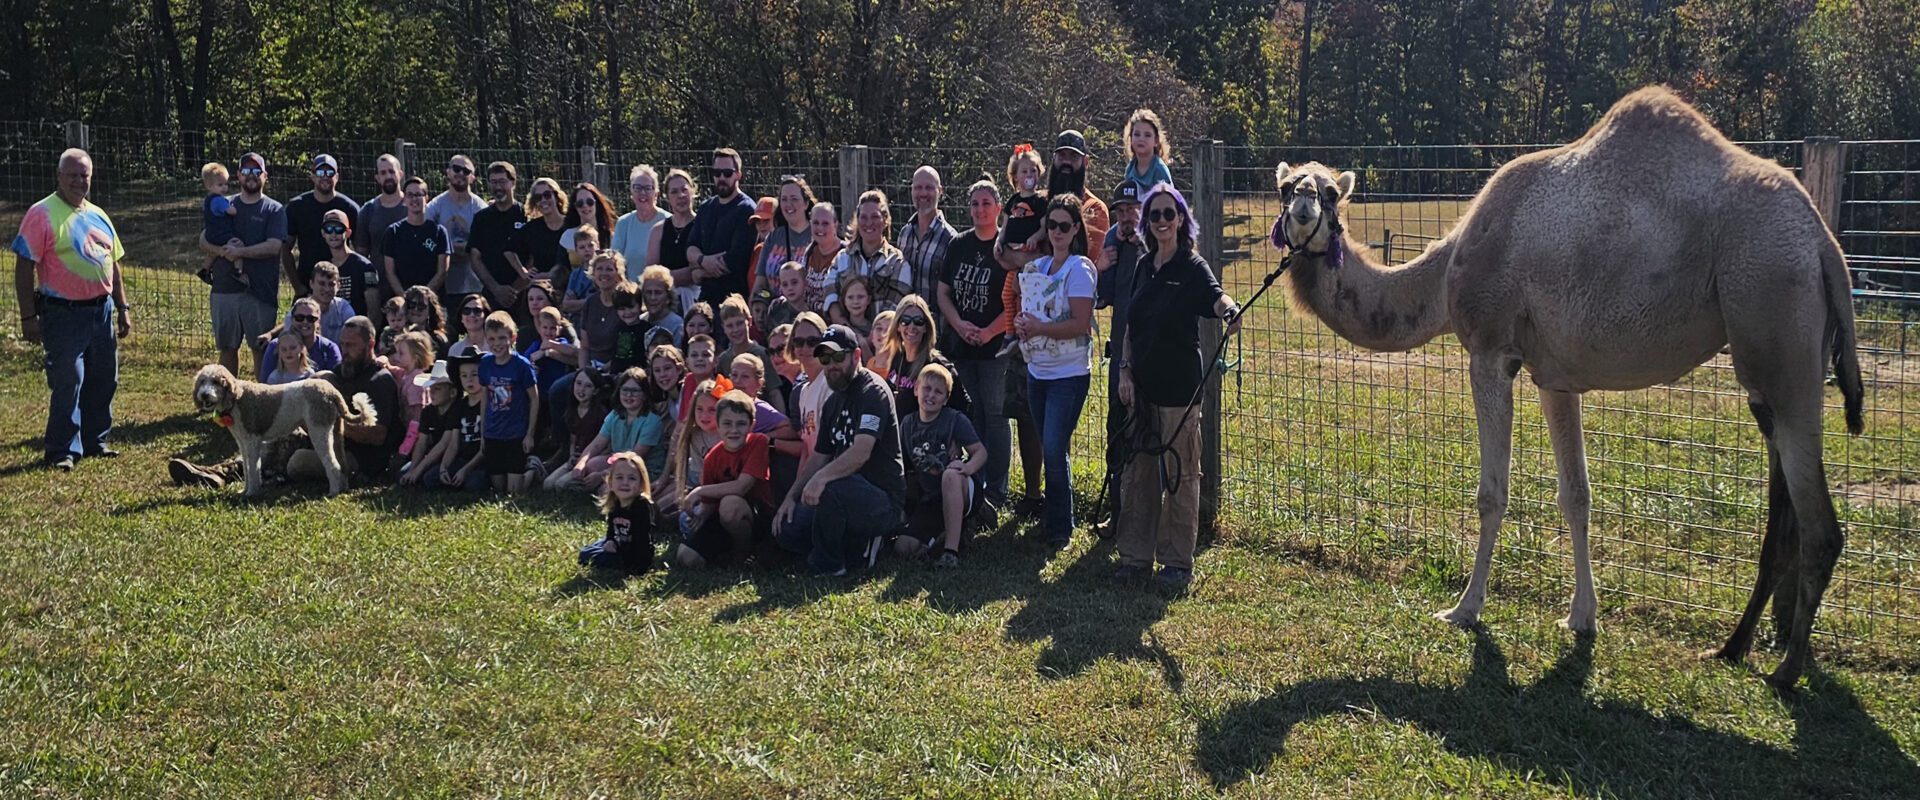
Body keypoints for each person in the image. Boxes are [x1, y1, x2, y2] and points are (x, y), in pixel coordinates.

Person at [1114, 182, 1242, 590]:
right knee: (1140, 474)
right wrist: (1124, 370)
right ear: (1147, 223)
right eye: (1155, 215)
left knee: (1181, 476)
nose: (1163, 221)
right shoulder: (1143, 265)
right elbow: (1130, 325)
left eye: (1170, 214)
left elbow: (1216, 297)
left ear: (1182, 220)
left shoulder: (1192, 266)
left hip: (1180, 394)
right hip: (1142, 390)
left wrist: (1230, 310)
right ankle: (1135, 557)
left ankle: (1176, 563)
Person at [12, 148, 129, 471]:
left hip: (101, 311)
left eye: (84, 175)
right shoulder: (41, 213)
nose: (79, 181)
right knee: (69, 380)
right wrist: (27, 317)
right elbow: (24, 267)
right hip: (63, 314)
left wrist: (122, 307)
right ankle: (62, 450)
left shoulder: (98, 214)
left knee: (105, 378)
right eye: (73, 175)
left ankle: (95, 440)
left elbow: (113, 264)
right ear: (59, 176)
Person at [775, 325, 905, 576]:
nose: (831, 365)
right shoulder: (833, 400)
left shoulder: (873, 391)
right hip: (845, 495)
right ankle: (856, 545)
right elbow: (820, 456)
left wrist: (820, 479)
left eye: (838, 357)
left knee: (830, 486)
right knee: (788, 529)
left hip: (883, 499)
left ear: (856, 356)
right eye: (825, 357)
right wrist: (791, 497)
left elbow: (861, 452)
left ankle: (830, 566)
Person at [1015, 194, 1096, 549]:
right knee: (1053, 447)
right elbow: (1031, 311)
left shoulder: (1079, 269)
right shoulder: (1038, 267)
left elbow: (1080, 325)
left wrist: (1039, 328)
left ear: (1076, 228)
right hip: (1038, 371)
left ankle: (1060, 528)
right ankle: (1057, 515)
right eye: (1052, 225)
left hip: (1068, 374)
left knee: (1052, 446)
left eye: (1065, 225)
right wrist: (1022, 324)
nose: (1058, 231)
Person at [937, 177, 1013, 505]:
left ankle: (997, 488)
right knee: (974, 412)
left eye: (986, 203)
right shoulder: (959, 244)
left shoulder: (1007, 248)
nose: (980, 210)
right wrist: (959, 324)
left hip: (995, 348)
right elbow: (943, 292)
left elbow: (1016, 300)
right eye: (974, 204)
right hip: (962, 344)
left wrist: (988, 332)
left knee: (995, 415)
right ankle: (975, 482)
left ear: (998, 208)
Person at [200, 151, 287, 378]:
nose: (251, 175)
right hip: (225, 289)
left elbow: (274, 246)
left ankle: (262, 402)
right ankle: (227, 405)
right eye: (246, 171)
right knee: (227, 348)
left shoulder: (274, 209)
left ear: (265, 176)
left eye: (256, 171)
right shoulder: (223, 203)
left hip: (260, 291)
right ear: (238, 175)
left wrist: (240, 252)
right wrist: (221, 251)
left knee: (261, 348)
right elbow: (203, 239)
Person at [287, 316, 402, 486]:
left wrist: (332, 423)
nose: (344, 351)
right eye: (342, 344)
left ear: (370, 345)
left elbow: (377, 436)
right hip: (334, 444)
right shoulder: (344, 370)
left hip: (362, 458)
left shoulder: (380, 380)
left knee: (298, 462)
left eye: (351, 345)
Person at [894, 365, 988, 568]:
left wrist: (967, 468)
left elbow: (980, 452)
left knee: (950, 475)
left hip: (961, 489)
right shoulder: (907, 425)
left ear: (946, 399)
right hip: (931, 497)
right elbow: (901, 464)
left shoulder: (954, 420)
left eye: (938, 392)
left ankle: (950, 552)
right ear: (916, 389)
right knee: (903, 547)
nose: (931, 395)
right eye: (927, 388)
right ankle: (943, 537)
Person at [676, 388, 775, 569]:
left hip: (756, 515)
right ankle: (724, 550)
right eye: (727, 424)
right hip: (722, 517)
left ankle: (744, 553)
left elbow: (742, 486)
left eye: (741, 424)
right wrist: (699, 515)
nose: (734, 430)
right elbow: (709, 504)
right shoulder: (712, 457)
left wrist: (699, 490)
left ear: (751, 425)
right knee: (686, 557)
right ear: (718, 426)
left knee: (730, 504)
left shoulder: (758, 442)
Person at [1095, 180, 1145, 532]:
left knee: (1151, 432)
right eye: (1121, 211)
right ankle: (1118, 511)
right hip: (1120, 354)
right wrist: (1101, 265)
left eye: (1132, 210)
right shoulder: (1113, 239)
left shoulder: (1157, 239)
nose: (1127, 217)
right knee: (1118, 429)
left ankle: (1148, 519)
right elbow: (1101, 297)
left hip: (1153, 353)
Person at [568, 367, 664, 493]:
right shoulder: (615, 415)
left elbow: (635, 457)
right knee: (591, 465)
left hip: (642, 468)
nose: (629, 395)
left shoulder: (652, 421)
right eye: (625, 390)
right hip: (619, 463)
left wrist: (602, 475)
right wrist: (581, 464)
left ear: (645, 395)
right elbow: (597, 444)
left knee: (604, 492)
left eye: (635, 391)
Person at [876, 294, 968, 420]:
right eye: (905, 321)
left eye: (918, 321)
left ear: (926, 327)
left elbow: (964, 409)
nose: (912, 327)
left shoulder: (938, 365)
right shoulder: (897, 357)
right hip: (898, 435)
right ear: (897, 326)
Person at [686, 148, 758, 307]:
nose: (721, 178)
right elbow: (691, 249)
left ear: (738, 174)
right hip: (704, 301)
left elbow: (735, 260)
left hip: (734, 302)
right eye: (717, 173)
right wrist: (703, 259)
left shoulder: (746, 210)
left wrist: (700, 272)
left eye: (727, 173)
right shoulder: (705, 208)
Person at [283, 153, 358, 297]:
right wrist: (298, 287)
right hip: (307, 287)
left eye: (330, 172)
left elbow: (360, 250)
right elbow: (285, 249)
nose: (325, 176)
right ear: (312, 176)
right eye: (320, 172)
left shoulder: (350, 208)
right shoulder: (296, 207)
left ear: (337, 176)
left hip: (340, 287)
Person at [828, 189, 911, 315]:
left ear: (885, 221)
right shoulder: (842, 259)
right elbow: (829, 293)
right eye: (864, 217)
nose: (868, 223)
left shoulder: (898, 263)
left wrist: (873, 333)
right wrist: (845, 325)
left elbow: (894, 309)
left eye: (875, 217)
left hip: (882, 332)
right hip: (845, 330)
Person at [427, 154, 489, 310]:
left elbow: (485, 246)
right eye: (456, 168)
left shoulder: (480, 208)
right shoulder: (435, 206)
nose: (460, 173)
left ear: (473, 178)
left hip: (474, 283)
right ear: (448, 172)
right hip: (444, 283)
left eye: (466, 171)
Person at [578, 452, 656, 573]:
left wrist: (639, 567)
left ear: (641, 484)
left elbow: (642, 539)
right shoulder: (616, 502)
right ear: (611, 483)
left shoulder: (641, 506)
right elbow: (611, 528)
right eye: (619, 477)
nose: (625, 482)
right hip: (619, 541)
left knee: (591, 557)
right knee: (585, 553)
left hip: (633, 554)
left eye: (632, 478)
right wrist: (610, 540)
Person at [469, 161, 529, 314]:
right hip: (491, 295)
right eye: (494, 182)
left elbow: (534, 256)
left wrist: (514, 290)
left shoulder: (526, 215)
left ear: (513, 183)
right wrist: (496, 289)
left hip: (524, 294)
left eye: (502, 181)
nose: (498, 187)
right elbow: (475, 258)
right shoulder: (481, 218)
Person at [382, 176, 451, 301]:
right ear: (404, 199)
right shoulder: (393, 232)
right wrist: (406, 298)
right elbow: (390, 272)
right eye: (410, 195)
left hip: (432, 301)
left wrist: (423, 297)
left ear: (426, 198)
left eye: (419, 194)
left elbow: (442, 272)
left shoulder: (439, 232)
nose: (414, 199)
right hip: (402, 303)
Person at [543, 365, 610, 488]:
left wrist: (588, 461)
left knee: (560, 485)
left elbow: (606, 445)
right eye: (578, 383)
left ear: (595, 391)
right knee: (547, 484)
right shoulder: (572, 410)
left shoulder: (601, 414)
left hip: (591, 460)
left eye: (588, 386)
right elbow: (573, 439)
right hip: (576, 458)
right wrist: (571, 456)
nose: (581, 389)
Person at [898, 166, 956, 304]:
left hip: (936, 323)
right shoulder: (904, 234)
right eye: (918, 187)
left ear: (940, 191)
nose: (923, 193)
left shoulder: (950, 239)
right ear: (911, 190)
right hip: (906, 323)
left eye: (929, 188)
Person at [752, 174, 817, 292]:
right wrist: (760, 301)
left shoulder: (818, 234)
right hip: (775, 306)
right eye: (784, 199)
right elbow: (760, 284)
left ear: (806, 203)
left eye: (794, 199)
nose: (788, 204)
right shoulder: (773, 237)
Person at [257, 296, 341, 381]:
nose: (305, 322)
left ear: (318, 322)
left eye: (311, 319)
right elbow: (264, 384)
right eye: (299, 318)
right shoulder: (275, 346)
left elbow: (337, 382)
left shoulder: (329, 348)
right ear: (292, 319)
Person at [319, 209, 380, 317]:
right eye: (328, 229)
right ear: (323, 233)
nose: (333, 234)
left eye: (338, 229)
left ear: (348, 233)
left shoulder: (366, 267)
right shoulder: (322, 267)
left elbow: (374, 311)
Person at [355, 154, 410, 272]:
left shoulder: (413, 207)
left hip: (411, 282)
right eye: (383, 173)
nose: (388, 176)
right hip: (379, 284)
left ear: (400, 174)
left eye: (392, 171)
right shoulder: (367, 211)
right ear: (377, 178)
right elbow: (362, 255)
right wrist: (370, 285)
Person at [611, 165, 667, 280]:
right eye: (637, 187)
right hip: (630, 291)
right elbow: (615, 261)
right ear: (631, 192)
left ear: (656, 193)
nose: (642, 192)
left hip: (659, 291)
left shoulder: (668, 221)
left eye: (647, 188)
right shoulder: (623, 223)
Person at [511, 177, 570, 283]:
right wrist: (523, 272)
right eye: (538, 197)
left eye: (547, 195)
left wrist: (550, 275)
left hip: (570, 287)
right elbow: (508, 250)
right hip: (541, 289)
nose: (543, 200)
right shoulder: (532, 228)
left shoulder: (571, 225)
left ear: (556, 196)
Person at [658, 168, 699, 313]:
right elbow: (651, 273)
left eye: (684, 190)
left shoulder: (703, 225)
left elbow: (699, 271)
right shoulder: (658, 230)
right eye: (674, 192)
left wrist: (665, 278)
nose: (680, 195)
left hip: (696, 302)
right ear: (667, 197)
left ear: (693, 191)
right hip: (663, 302)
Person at [197, 162, 240, 287]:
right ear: (209, 186)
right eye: (220, 185)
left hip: (210, 232)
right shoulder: (219, 201)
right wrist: (234, 208)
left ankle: (205, 269)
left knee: (213, 252)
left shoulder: (207, 200)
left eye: (226, 184)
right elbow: (232, 211)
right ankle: (239, 271)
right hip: (221, 233)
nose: (224, 188)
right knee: (237, 245)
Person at [715, 293, 768, 374]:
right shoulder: (723, 360)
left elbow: (773, 386)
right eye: (730, 326)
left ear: (749, 321)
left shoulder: (762, 354)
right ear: (723, 328)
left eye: (739, 323)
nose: (735, 329)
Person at [1123, 109, 1175, 189]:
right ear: (1130, 138)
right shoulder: (1130, 169)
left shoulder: (1159, 170)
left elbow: (1164, 199)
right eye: (1137, 134)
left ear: (1156, 141)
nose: (1141, 139)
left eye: (1147, 135)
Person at [402, 286, 450, 357]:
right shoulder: (394, 334)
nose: (416, 309)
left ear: (430, 310)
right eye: (412, 304)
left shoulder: (438, 339)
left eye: (421, 306)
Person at [447, 294, 491, 358]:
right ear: (461, 318)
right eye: (466, 311)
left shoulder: (494, 346)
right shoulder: (455, 349)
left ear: (485, 316)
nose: (472, 315)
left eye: (477, 311)